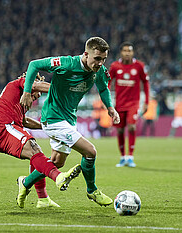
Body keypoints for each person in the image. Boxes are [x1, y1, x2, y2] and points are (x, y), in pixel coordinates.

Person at [20, 37, 120, 207]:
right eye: (97, 58)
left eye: (103, 59)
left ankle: (25, 183)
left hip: (68, 119)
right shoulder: (65, 63)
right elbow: (34, 65)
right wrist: (27, 92)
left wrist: (110, 107)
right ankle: (92, 190)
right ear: (86, 54)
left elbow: (103, 88)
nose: (100, 63)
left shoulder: (99, 71)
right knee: (90, 152)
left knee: (57, 161)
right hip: (52, 118)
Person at [0, 72, 81, 209]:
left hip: (8, 127)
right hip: (3, 127)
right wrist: (62, 90)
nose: (38, 96)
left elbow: (24, 121)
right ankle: (58, 177)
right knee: (34, 150)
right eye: (37, 91)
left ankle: (42, 199)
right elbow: (35, 85)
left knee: (36, 153)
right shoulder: (21, 82)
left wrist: (45, 126)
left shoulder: (17, 97)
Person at [109, 41, 150, 168]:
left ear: (133, 52)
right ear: (121, 52)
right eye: (125, 51)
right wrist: (106, 99)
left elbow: (146, 83)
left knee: (131, 127)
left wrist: (147, 102)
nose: (127, 53)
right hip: (119, 103)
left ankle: (130, 156)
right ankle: (122, 157)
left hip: (134, 103)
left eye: (129, 51)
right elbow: (108, 82)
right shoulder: (115, 66)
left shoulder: (139, 66)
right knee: (120, 130)